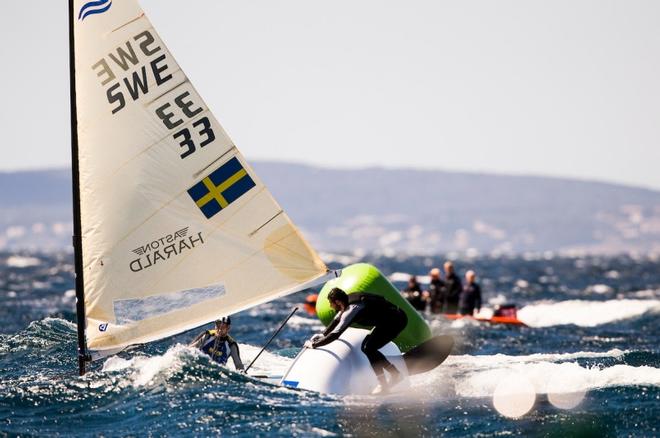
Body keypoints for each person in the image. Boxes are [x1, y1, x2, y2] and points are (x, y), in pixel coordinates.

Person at [305, 288, 408, 394]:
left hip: (396, 321)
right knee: (367, 347)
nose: (331, 306)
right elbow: (337, 320)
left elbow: (336, 334)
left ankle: (385, 384)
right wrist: (323, 334)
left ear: (338, 302)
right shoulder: (346, 301)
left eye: (331, 303)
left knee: (369, 348)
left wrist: (314, 345)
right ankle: (394, 376)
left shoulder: (352, 309)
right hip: (388, 320)